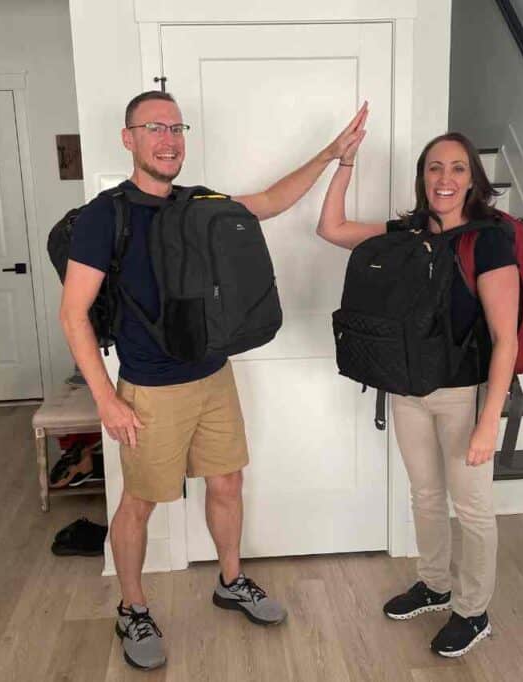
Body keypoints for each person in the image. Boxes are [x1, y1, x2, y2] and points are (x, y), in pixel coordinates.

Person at [59, 91, 367, 671]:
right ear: (129, 139)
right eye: (154, 127)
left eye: (177, 127)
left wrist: (332, 153)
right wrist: (106, 399)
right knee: (141, 503)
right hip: (149, 389)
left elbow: (272, 201)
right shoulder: (107, 216)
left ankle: (231, 580)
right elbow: (73, 313)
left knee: (227, 484)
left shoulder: (200, 204)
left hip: (212, 375)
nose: (168, 138)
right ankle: (132, 608)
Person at [316, 127, 519, 657]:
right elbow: (331, 228)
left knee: (471, 508)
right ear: (422, 177)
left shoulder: (489, 239)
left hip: (463, 394)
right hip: (407, 388)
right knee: (425, 495)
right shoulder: (408, 230)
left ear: (472, 178)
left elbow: (506, 338)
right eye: (434, 168)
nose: (444, 178)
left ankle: (473, 613)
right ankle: (435, 584)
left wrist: (488, 420)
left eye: (456, 168)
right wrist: (344, 164)